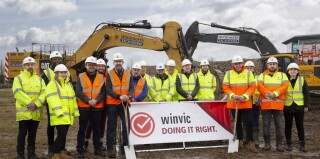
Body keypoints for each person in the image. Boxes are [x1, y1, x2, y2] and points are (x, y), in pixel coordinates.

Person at [222, 55, 258, 153]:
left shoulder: (248, 73)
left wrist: (245, 96)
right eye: (235, 63)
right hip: (234, 103)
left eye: (239, 63)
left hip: (245, 102)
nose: (237, 65)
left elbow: (252, 86)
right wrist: (232, 95)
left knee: (249, 122)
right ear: (233, 64)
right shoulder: (228, 74)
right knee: (237, 123)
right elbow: (225, 86)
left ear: (242, 64)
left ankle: (251, 142)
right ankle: (240, 141)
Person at [12, 57, 46, 159]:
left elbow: (44, 93)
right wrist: (30, 103)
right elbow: (17, 92)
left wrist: (36, 104)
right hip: (24, 112)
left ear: (35, 66)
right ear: (24, 66)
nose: (30, 66)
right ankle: (20, 154)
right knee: (22, 134)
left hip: (35, 111)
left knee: (33, 134)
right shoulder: (18, 78)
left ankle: (31, 154)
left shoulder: (40, 80)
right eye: (27, 64)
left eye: (32, 64)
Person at [45, 64, 80, 159]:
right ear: (56, 74)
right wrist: (59, 112)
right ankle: (55, 154)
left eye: (65, 72)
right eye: (61, 72)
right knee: (61, 134)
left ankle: (60, 153)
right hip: (59, 115)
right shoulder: (52, 84)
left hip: (67, 115)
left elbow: (73, 99)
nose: (64, 74)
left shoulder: (68, 84)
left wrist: (75, 112)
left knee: (63, 135)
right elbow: (52, 99)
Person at [76, 56, 106, 157]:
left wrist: (96, 100)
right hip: (84, 107)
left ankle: (97, 149)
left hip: (97, 108)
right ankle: (80, 149)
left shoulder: (101, 78)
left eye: (93, 65)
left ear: (96, 66)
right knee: (82, 129)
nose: (91, 66)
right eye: (89, 65)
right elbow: (78, 91)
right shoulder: (81, 76)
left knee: (96, 129)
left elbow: (103, 92)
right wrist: (88, 100)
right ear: (86, 65)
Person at [258, 56, 289, 152]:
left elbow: (285, 86)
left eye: (274, 64)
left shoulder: (282, 75)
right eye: (270, 64)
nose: (272, 66)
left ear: (277, 65)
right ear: (267, 65)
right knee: (266, 124)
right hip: (266, 105)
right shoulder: (262, 75)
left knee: (279, 125)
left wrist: (275, 93)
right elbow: (259, 86)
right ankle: (267, 144)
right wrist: (268, 93)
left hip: (278, 105)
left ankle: (279, 145)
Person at [106, 53, 134, 158]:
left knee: (127, 125)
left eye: (120, 61)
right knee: (111, 127)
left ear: (122, 62)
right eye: (116, 61)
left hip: (125, 103)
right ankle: (110, 149)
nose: (118, 63)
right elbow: (108, 89)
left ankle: (124, 147)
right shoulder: (109, 73)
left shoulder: (128, 72)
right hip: (112, 104)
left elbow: (131, 87)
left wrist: (128, 95)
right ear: (113, 62)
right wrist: (119, 96)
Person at [41, 51, 65, 156]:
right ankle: (51, 147)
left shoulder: (65, 72)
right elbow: (44, 89)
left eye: (59, 59)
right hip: (51, 103)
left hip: (64, 103)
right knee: (51, 125)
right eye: (55, 59)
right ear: (51, 60)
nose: (57, 61)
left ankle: (61, 147)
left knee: (62, 126)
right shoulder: (46, 73)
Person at [284, 63, 309, 152]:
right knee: (288, 126)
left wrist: (306, 106)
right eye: (291, 70)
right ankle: (288, 144)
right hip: (287, 107)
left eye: (295, 69)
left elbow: (306, 94)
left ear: (298, 71)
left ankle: (302, 145)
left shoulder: (302, 80)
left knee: (300, 126)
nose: (293, 71)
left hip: (299, 107)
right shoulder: (285, 80)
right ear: (288, 71)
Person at [84, 58, 108, 151]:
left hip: (105, 104)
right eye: (99, 66)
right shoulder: (93, 76)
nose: (101, 67)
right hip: (94, 104)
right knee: (90, 124)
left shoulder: (107, 76)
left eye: (103, 66)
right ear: (96, 67)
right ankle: (86, 141)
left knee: (102, 124)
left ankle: (100, 142)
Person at [243, 60, 260, 148]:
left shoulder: (258, 78)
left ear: (254, 69)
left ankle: (255, 139)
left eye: (251, 68)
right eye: (247, 68)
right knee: (245, 120)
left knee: (255, 120)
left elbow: (261, 90)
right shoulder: (242, 78)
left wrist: (259, 100)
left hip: (255, 102)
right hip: (246, 102)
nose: (249, 70)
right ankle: (246, 138)